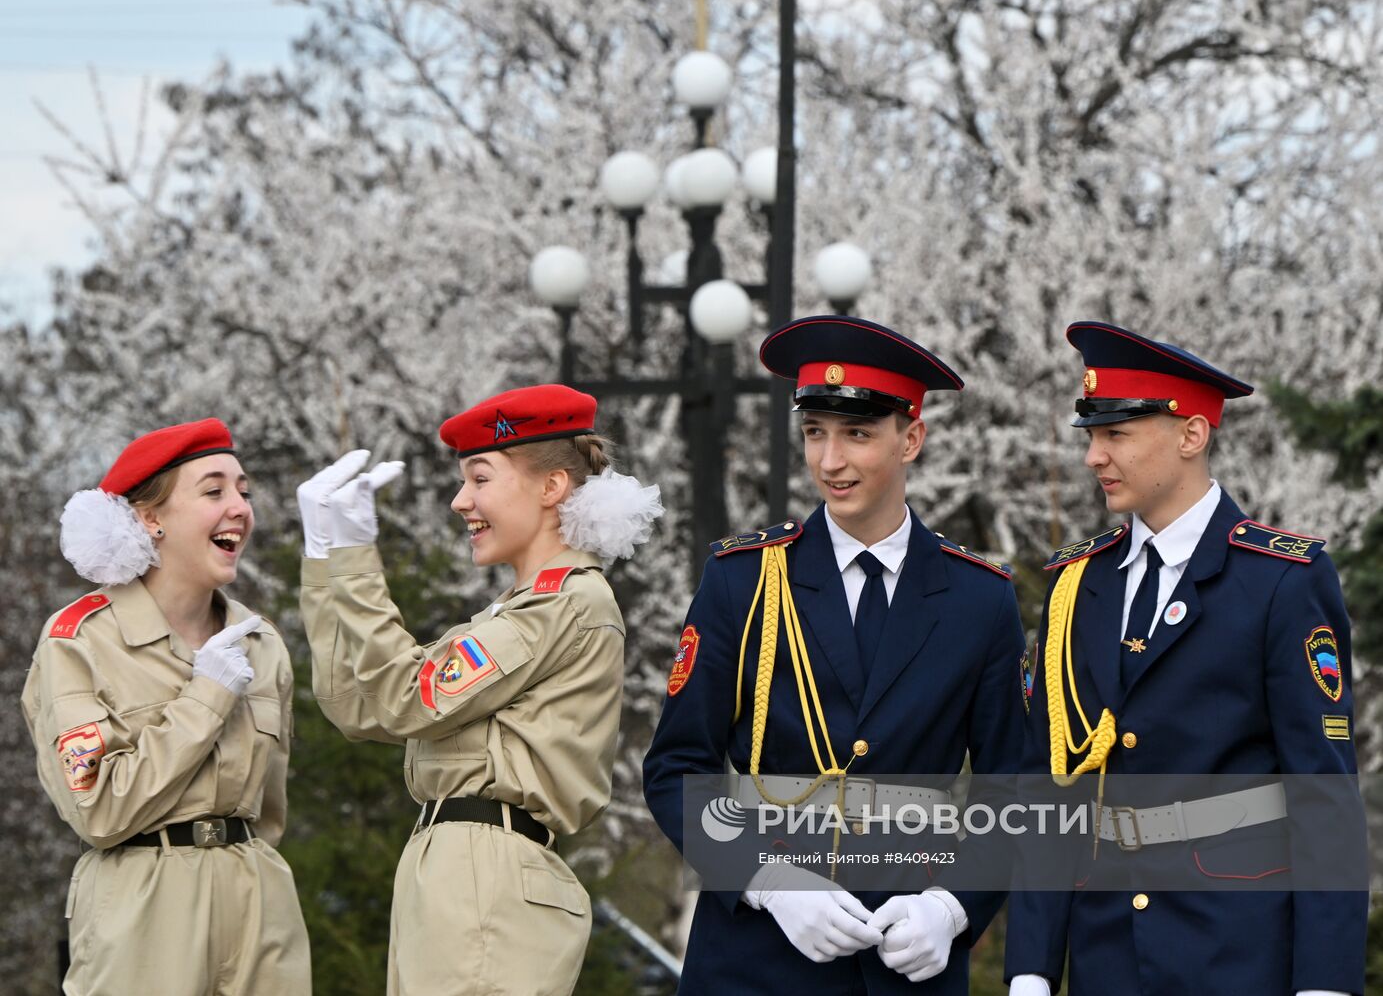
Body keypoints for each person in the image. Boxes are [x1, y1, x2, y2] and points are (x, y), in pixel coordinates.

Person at [643, 315, 1028, 994]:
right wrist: (768, 882)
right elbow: (677, 768)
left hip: (907, 961)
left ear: (910, 438)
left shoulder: (980, 600)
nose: (829, 461)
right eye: (814, 434)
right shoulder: (742, 579)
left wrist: (951, 906)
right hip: (752, 959)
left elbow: (1012, 791)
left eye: (856, 434)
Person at [1004, 321, 1367, 996]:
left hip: (1236, 948)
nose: (1093, 456)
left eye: (1116, 434)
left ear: (1190, 435)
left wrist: (1324, 984)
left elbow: (1322, 797)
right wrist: (1029, 967)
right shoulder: (1075, 584)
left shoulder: (1280, 580)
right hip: (1102, 951)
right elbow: (1049, 790)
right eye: (1090, 435)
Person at [297, 384, 662, 996]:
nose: (459, 500)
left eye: (480, 477)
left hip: (485, 871)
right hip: (458, 866)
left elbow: (408, 697)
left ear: (551, 488)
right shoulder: (519, 608)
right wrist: (325, 561)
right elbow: (357, 705)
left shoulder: (564, 601)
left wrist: (358, 558)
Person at [22, 417, 311, 996]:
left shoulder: (262, 644)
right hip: (142, 912)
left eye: (243, 491)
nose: (239, 508)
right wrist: (206, 696)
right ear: (150, 519)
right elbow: (99, 811)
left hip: (260, 908)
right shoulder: (79, 640)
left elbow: (268, 812)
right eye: (213, 491)